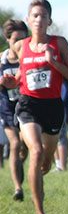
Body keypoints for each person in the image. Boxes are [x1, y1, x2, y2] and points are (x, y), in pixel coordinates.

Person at [0, 0, 68, 214]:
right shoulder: (20, 47)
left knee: (46, 161)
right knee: (35, 151)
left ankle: (43, 165)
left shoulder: (59, 44)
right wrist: (10, 82)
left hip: (53, 108)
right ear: (28, 19)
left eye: (43, 16)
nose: (38, 19)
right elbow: (20, 78)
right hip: (27, 105)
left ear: (49, 21)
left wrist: (54, 62)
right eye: (34, 15)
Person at [1, 19, 28, 201]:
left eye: (23, 39)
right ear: (8, 39)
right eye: (16, 39)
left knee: (24, 149)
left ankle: (18, 166)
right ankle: (18, 188)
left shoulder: (28, 59)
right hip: (6, 108)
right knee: (15, 144)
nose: (20, 44)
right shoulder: (1, 60)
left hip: (26, 106)